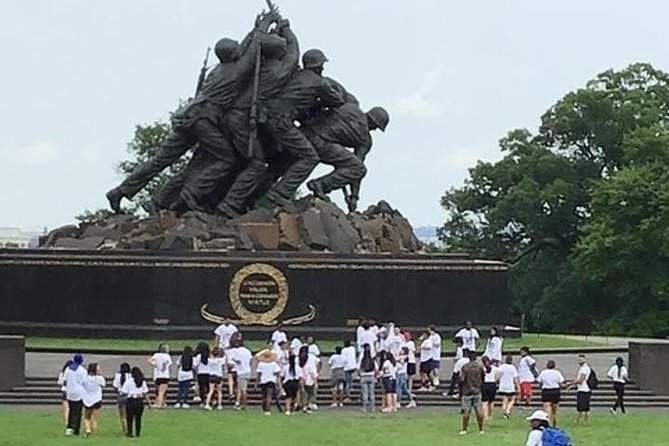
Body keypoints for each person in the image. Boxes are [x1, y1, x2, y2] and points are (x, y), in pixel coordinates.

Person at [460, 350, 485, 435]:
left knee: (466, 411)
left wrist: (461, 391)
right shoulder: (480, 367)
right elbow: (483, 378)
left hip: (467, 391)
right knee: (479, 410)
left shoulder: (465, 367)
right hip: (477, 390)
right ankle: (481, 429)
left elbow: (462, 380)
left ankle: (464, 429)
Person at [121, 367, 150, 438]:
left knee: (129, 418)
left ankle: (130, 432)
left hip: (131, 400)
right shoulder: (142, 382)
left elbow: (124, 392)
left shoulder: (128, 381)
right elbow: (145, 393)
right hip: (139, 400)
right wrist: (149, 403)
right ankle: (138, 433)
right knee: (138, 418)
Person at [537, 360, 565, 426]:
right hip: (555, 390)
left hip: (546, 390)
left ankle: (549, 422)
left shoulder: (543, 372)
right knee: (555, 408)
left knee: (547, 407)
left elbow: (540, 382)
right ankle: (555, 420)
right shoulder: (557, 372)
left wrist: (541, 387)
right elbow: (561, 382)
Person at [64, 353, 87, 436]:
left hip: (70, 392)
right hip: (79, 393)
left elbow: (65, 379)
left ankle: (69, 428)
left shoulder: (68, 369)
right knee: (78, 412)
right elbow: (84, 382)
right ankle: (76, 428)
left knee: (71, 411)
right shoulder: (82, 370)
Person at [566, 354, 592, 424]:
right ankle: (583, 421)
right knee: (585, 406)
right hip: (584, 389)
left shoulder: (584, 369)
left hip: (583, 389)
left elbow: (580, 380)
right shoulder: (585, 368)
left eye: (580, 360)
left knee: (581, 407)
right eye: (578, 360)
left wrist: (570, 383)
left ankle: (580, 421)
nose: (579, 361)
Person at [228, 337, 253, 410]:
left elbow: (235, 360)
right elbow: (250, 361)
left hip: (241, 372)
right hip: (247, 371)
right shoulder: (247, 351)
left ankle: (244, 404)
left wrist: (234, 361)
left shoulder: (236, 351)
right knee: (239, 388)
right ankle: (238, 403)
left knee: (243, 389)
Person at [81, 363, 105, 437]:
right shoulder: (99, 378)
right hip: (97, 399)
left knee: (86, 417)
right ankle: (93, 434)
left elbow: (82, 384)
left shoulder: (85, 378)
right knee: (94, 418)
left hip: (87, 399)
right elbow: (103, 384)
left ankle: (88, 429)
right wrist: (100, 374)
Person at [256, 349, 281, 415]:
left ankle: (264, 409)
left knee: (264, 396)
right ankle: (268, 409)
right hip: (271, 381)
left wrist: (256, 383)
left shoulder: (261, 364)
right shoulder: (273, 364)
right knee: (269, 396)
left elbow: (258, 374)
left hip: (263, 381)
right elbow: (278, 372)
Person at [148, 343, 172, 408]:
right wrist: (163, 366)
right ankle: (160, 404)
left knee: (159, 391)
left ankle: (160, 403)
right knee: (162, 392)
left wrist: (155, 365)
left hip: (158, 376)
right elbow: (168, 363)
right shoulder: (167, 356)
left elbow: (149, 360)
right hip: (164, 376)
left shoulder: (156, 355)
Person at [358, 343, 378, 413]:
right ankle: (372, 408)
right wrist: (375, 376)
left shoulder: (362, 360)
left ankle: (364, 408)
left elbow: (359, 369)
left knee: (365, 393)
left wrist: (360, 375)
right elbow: (376, 369)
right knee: (372, 393)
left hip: (364, 377)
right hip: (371, 376)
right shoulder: (373, 360)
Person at [497, 354, 519, 419]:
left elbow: (498, 375)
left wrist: (498, 381)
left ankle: (504, 411)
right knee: (512, 399)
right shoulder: (513, 367)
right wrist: (517, 386)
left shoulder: (502, 367)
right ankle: (508, 409)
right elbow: (515, 378)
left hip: (503, 385)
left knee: (505, 399)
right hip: (510, 386)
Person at [298, 345, 319, 413]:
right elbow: (312, 373)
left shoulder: (299, 360)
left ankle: (305, 406)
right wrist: (315, 382)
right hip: (309, 380)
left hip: (303, 379)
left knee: (304, 393)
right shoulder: (309, 364)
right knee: (310, 394)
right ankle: (308, 405)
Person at [112, 363, 131, 434]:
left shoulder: (118, 376)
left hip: (121, 395)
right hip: (129, 396)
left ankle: (125, 429)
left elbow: (115, 386)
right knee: (129, 414)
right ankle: (129, 428)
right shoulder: (130, 376)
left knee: (123, 415)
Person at [481, 356, 500, 421]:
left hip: (484, 384)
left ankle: (485, 416)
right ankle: (490, 415)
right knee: (491, 401)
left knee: (484, 402)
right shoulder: (494, 368)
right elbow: (501, 371)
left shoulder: (482, 369)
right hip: (492, 384)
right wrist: (497, 378)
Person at [57, 360, 73, 428]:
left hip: (65, 391)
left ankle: (67, 421)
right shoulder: (72, 373)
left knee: (66, 408)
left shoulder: (62, 373)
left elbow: (60, 382)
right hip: (71, 391)